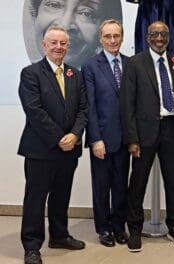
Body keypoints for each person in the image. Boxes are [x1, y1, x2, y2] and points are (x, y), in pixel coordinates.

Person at [18, 25, 88, 264]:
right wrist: (60, 138)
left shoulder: (75, 74)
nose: (59, 47)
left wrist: (75, 135)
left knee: (61, 196)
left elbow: (83, 110)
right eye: (54, 43)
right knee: (35, 199)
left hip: (70, 149)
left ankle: (59, 235)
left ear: (68, 46)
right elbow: (34, 111)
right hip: (41, 149)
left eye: (63, 43)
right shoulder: (31, 73)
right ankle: (31, 246)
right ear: (44, 45)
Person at [120, 21, 174, 252]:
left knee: (173, 182)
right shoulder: (134, 63)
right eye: (155, 34)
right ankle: (134, 229)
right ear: (147, 37)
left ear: (168, 37)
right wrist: (132, 139)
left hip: (172, 129)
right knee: (137, 182)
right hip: (143, 133)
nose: (159, 38)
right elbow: (127, 104)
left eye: (163, 34)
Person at [81, 19, 129, 248]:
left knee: (121, 185)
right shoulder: (90, 66)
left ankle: (119, 226)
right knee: (101, 186)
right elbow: (89, 106)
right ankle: (104, 228)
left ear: (122, 37)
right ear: (101, 38)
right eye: (108, 36)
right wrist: (95, 138)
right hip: (101, 138)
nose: (112, 40)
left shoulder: (130, 64)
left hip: (124, 139)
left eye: (116, 36)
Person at [23, 0, 122, 69]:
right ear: (36, 14)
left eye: (86, 13)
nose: (65, 25)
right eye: (54, 5)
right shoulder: (30, 75)